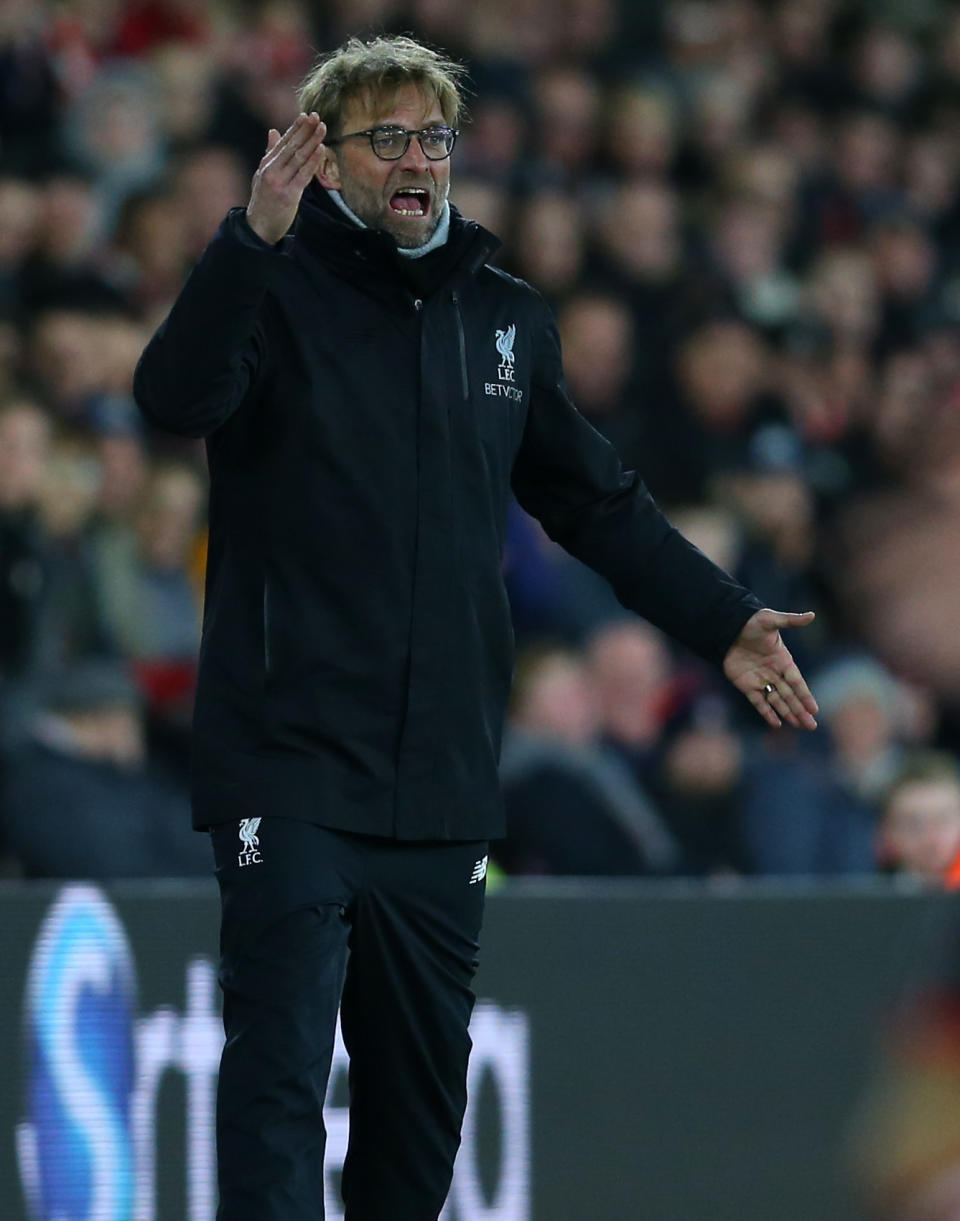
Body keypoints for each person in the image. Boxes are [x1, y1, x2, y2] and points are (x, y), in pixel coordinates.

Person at [132, 34, 819, 1221]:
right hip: (287, 768)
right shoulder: (271, 289)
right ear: (324, 157)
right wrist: (249, 237)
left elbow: (597, 502)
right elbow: (172, 399)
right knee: (277, 1081)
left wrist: (723, 621)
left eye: (433, 137)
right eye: (385, 137)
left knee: (415, 1128)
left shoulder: (504, 319)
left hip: (444, 782)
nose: (415, 161)